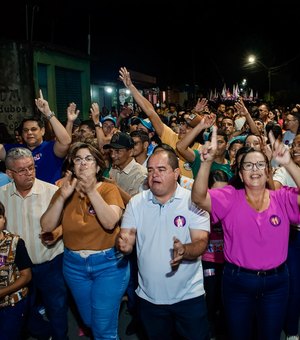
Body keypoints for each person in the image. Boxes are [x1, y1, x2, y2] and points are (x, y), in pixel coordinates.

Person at [191, 126, 300, 340]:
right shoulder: (229, 197)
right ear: (240, 174)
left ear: (268, 171)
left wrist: (288, 163)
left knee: (269, 336)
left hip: (276, 283)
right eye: (248, 165)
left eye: (260, 164)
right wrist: (205, 163)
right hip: (238, 282)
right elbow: (198, 198)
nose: (255, 169)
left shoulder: (282, 198)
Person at [116, 148, 210, 340]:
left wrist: (185, 250)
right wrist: (123, 245)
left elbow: (201, 242)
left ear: (176, 174)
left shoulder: (193, 202)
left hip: (189, 297)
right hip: (149, 299)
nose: (154, 175)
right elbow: (127, 239)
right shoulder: (136, 203)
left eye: (161, 169)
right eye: (150, 170)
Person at [40, 142, 129, 340]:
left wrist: (91, 191)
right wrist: (62, 198)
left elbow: (109, 222)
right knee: (90, 321)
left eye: (89, 159)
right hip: (74, 266)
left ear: (98, 167)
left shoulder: (108, 190)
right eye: (78, 159)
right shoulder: (64, 191)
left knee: (103, 329)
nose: (83, 163)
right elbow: (46, 226)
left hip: (108, 265)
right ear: (72, 166)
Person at [0, 147, 68, 340]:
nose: (29, 173)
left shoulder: (52, 192)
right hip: (16, 270)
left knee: (57, 309)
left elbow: (68, 223)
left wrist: (57, 232)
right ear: (10, 174)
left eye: (31, 167)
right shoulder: (1, 196)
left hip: (50, 265)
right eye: (22, 170)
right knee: (22, 311)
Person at [0, 90, 72, 184]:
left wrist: (48, 113)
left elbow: (66, 141)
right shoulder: (15, 150)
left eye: (33, 129)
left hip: (50, 196)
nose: (29, 132)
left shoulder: (51, 148)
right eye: (25, 130)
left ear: (42, 131)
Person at [273, 134, 300, 340]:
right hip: (293, 235)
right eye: (296, 143)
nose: (297, 147)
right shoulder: (282, 171)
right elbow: (274, 190)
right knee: (294, 284)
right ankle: (291, 331)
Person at [0, 201, 32, 340]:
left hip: (12, 302)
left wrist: (2, 292)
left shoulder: (15, 243)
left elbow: (26, 276)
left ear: (4, 219)